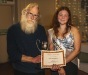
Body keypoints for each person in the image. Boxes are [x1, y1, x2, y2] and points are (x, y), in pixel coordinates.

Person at [7, 3, 47, 75]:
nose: (32, 17)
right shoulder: (13, 30)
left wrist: (44, 55)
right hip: (22, 70)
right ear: (25, 13)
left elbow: (44, 46)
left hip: (39, 70)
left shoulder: (41, 29)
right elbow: (12, 54)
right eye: (30, 14)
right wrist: (32, 59)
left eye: (35, 15)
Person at [48, 6, 81, 75]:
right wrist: (56, 65)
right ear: (57, 16)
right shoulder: (51, 31)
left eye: (65, 15)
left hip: (70, 62)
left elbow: (77, 50)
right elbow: (51, 49)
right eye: (61, 15)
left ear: (68, 17)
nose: (63, 17)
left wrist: (61, 64)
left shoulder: (74, 30)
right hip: (56, 63)